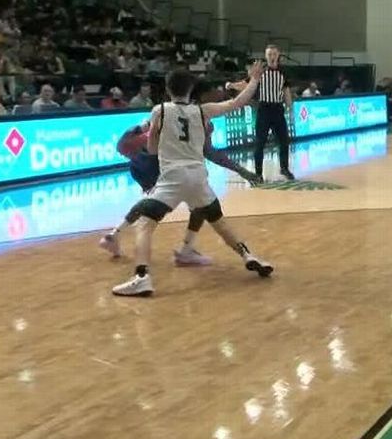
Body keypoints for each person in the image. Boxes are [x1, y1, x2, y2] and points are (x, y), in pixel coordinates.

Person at [105, 64, 275, 297]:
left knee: (146, 223)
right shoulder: (202, 111)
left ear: (167, 89)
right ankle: (248, 255)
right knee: (219, 222)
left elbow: (152, 148)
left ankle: (142, 276)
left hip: (172, 178)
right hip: (198, 177)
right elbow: (237, 103)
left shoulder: (159, 111)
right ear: (191, 88)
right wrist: (254, 80)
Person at [253, 44, 294, 181]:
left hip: (277, 109)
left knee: (284, 141)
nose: (272, 57)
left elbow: (286, 91)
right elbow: (248, 84)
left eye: (274, 54)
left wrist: (290, 108)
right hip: (264, 109)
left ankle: (284, 168)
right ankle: (258, 173)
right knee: (260, 142)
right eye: (269, 54)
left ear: (278, 55)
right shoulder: (261, 71)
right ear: (266, 56)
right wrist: (232, 85)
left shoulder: (283, 72)